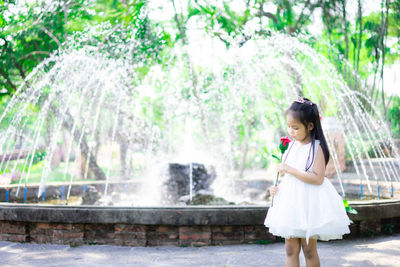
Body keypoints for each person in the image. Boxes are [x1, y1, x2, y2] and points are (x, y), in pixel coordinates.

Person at [264, 97, 350, 267]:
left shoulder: (315, 148)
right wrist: (277, 188)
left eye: (295, 128)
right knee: (290, 249)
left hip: (308, 204)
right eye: (289, 127)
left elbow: (318, 178)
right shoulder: (291, 146)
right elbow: (288, 177)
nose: (291, 131)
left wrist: (289, 169)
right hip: (290, 204)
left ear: (310, 126)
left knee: (309, 250)